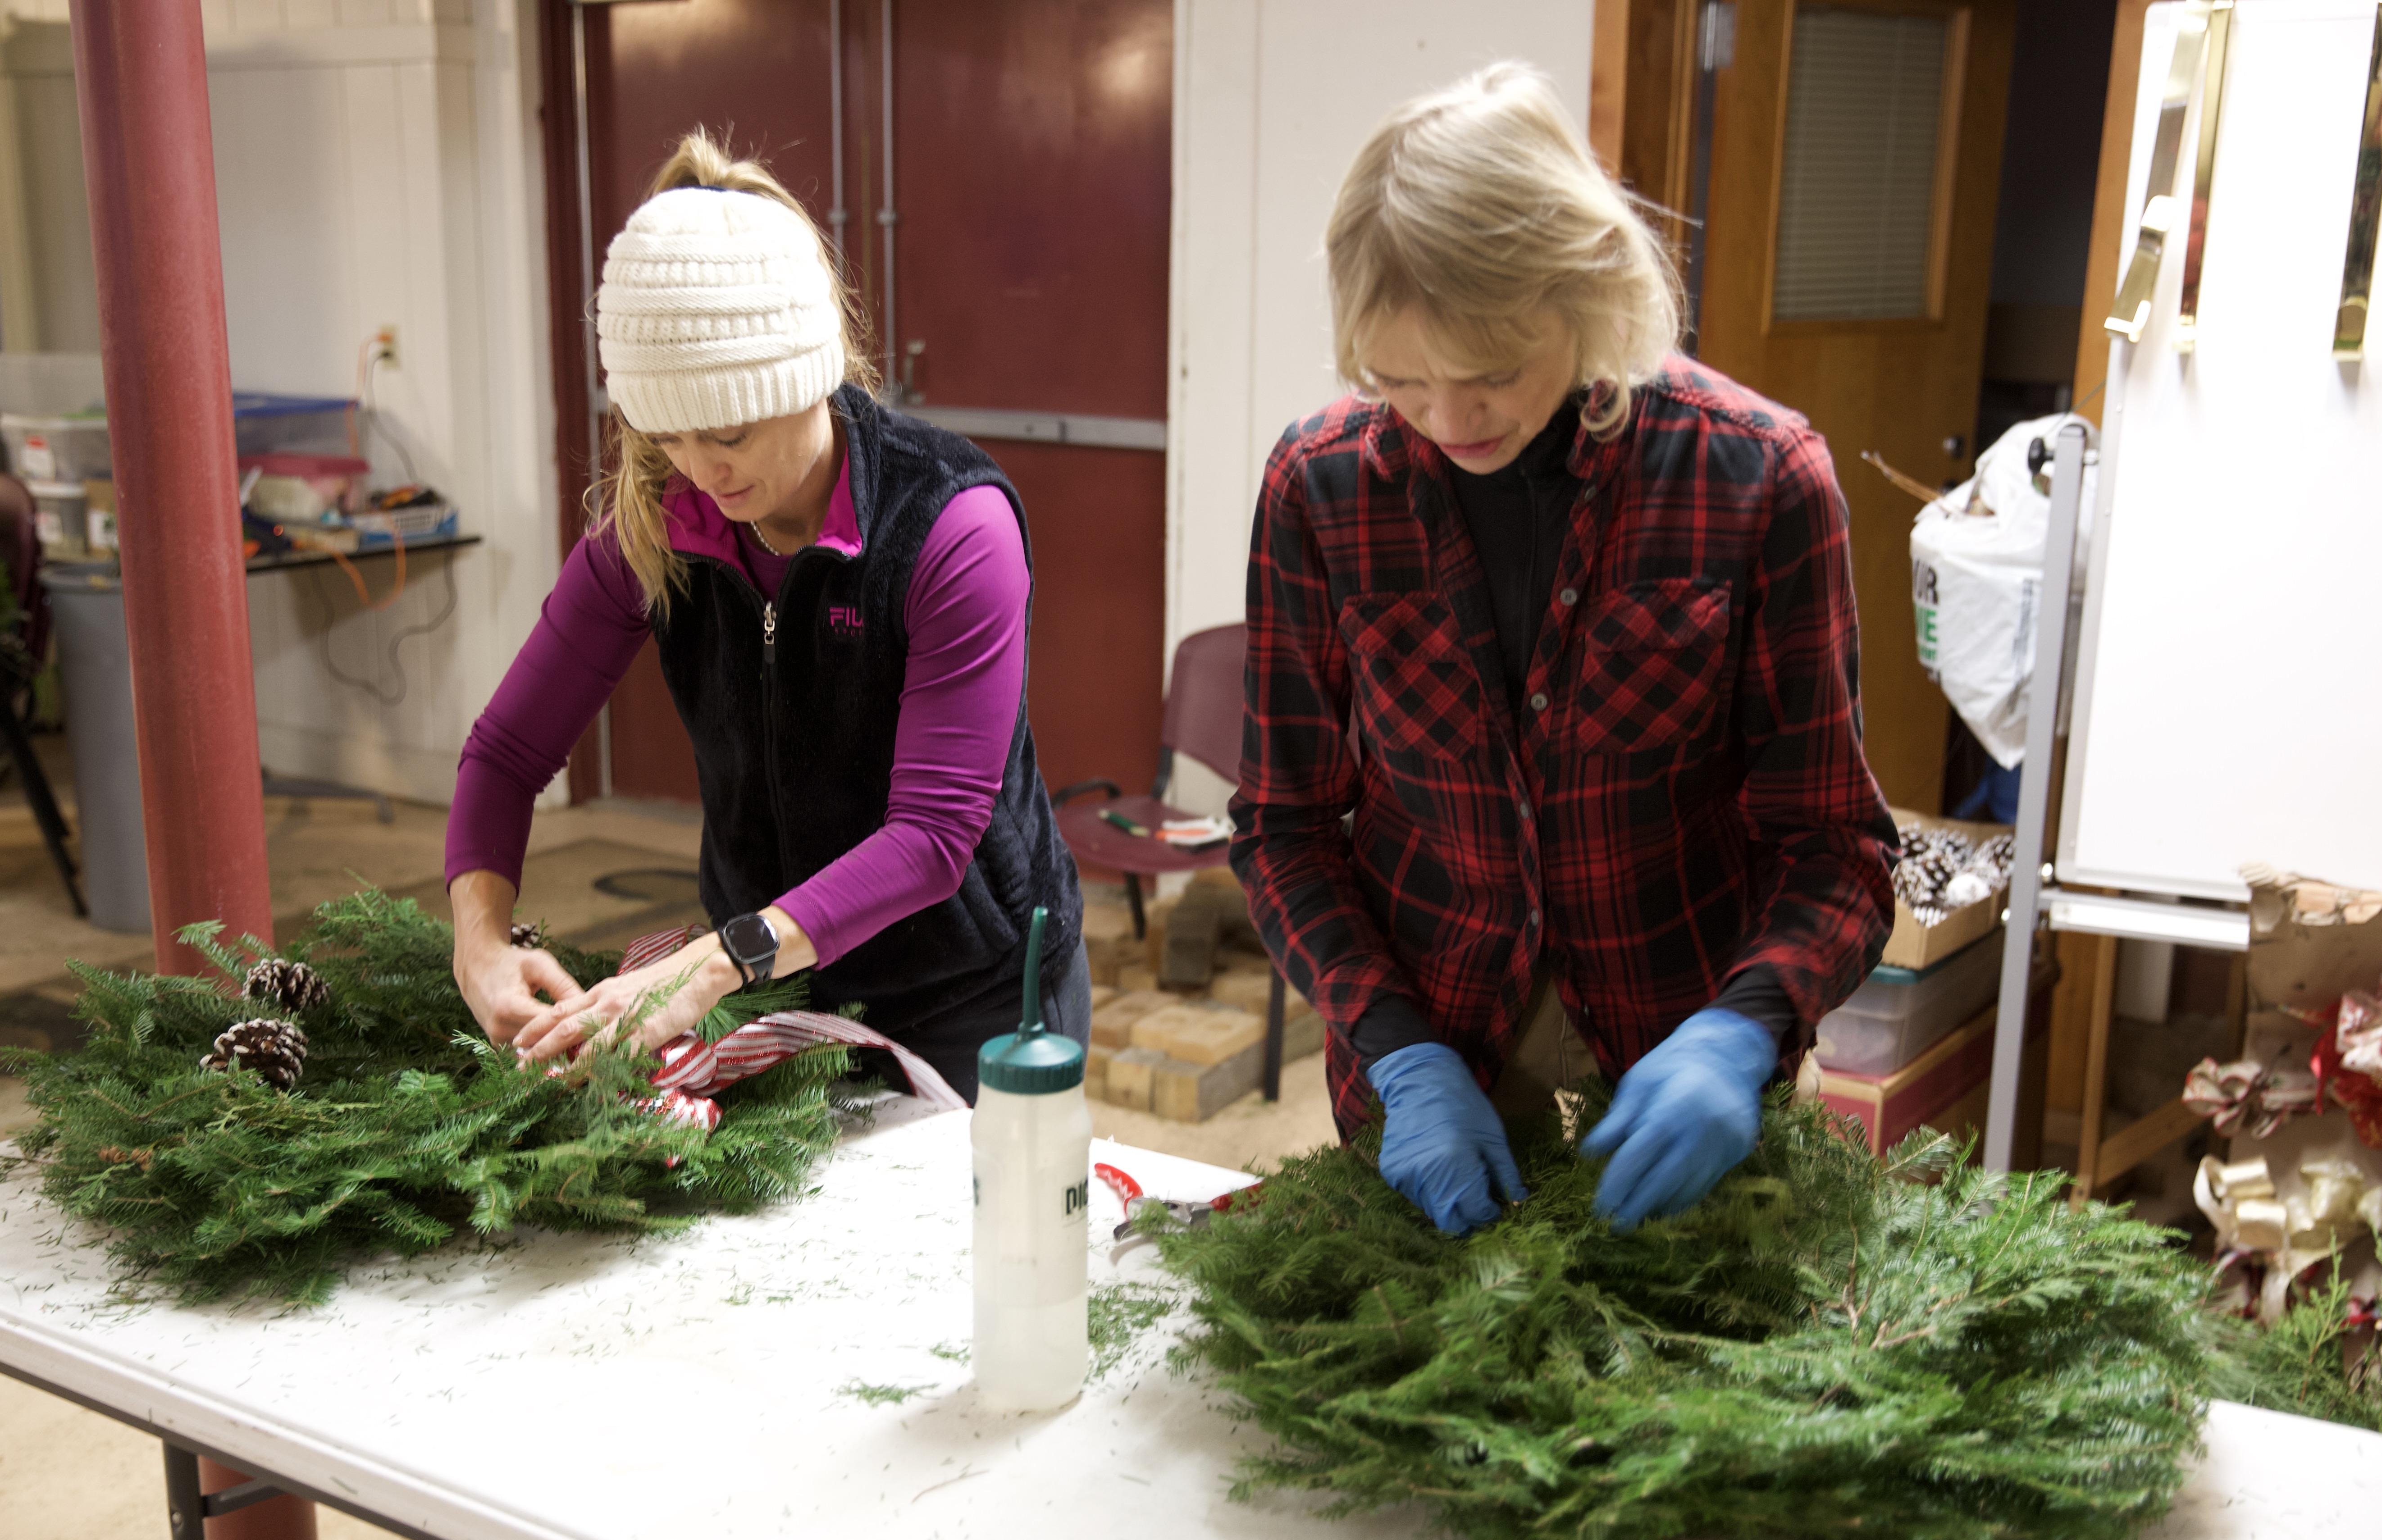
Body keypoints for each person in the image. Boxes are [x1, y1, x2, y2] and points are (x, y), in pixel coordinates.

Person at [1231, 64, 1897, 1235]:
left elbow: (1835, 847)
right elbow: (1285, 831)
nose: (1449, 418)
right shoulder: (1321, 489)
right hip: (1425, 1090)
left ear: (1589, 291)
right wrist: (1398, 1056)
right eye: (1399, 381)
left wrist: (1744, 1028)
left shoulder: (1757, 480)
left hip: (1673, 1101)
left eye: (1492, 371)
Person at [446, 132, 1085, 1101]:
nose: (703, 471)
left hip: (973, 995)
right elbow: (506, 752)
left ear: (806, 378)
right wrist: (480, 943)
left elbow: (932, 837)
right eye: (666, 435)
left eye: (730, 433)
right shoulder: (659, 526)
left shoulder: (951, 525)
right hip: (766, 986)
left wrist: (713, 961)